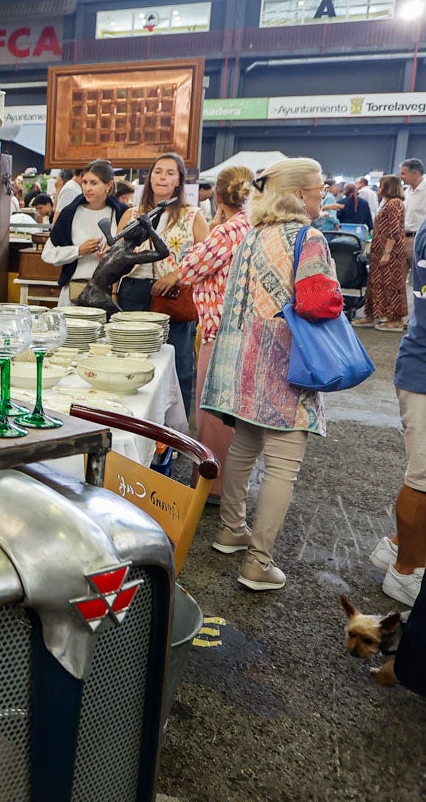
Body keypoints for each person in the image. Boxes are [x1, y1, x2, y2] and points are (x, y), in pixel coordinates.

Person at [200, 158, 344, 591]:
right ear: (299, 194)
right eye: (319, 187)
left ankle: (230, 530)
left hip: (245, 360)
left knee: (245, 443)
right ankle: (259, 562)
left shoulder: (250, 236)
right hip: (287, 362)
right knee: (283, 464)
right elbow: (318, 303)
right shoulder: (309, 237)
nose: (324, 194)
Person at [177, 165, 255, 504]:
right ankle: (230, 486)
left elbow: (187, 270)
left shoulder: (226, 231)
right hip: (245, 329)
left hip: (219, 330)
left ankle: (211, 487)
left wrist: (210, 229)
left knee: (212, 414)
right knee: (235, 413)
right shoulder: (254, 226)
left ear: (218, 197)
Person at [118, 152, 208, 414]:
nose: (163, 177)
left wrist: (176, 274)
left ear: (179, 180)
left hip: (174, 294)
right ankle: (133, 418)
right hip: (133, 288)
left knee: (177, 360)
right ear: (150, 177)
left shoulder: (192, 215)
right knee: (131, 357)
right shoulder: (132, 214)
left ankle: (173, 430)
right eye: (158, 171)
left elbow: (206, 258)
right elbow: (117, 256)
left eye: (170, 173)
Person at [371, 216, 426, 606]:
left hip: (418, 368)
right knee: (422, 479)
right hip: (422, 373)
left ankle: (398, 549)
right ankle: (405, 570)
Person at [42, 158, 125, 305]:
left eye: (94, 183)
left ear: (108, 185)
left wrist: (113, 254)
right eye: (85, 182)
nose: (87, 188)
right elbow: (48, 254)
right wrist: (78, 250)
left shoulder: (121, 214)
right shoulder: (70, 213)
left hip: (108, 293)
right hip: (74, 291)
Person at [356, 174, 410, 331]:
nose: (378, 189)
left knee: (391, 285)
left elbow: (393, 231)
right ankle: (372, 315)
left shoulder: (395, 204)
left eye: (381, 186)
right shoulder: (387, 203)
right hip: (380, 250)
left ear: (388, 187)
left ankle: (395, 319)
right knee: (377, 283)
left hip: (390, 252)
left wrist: (387, 253)